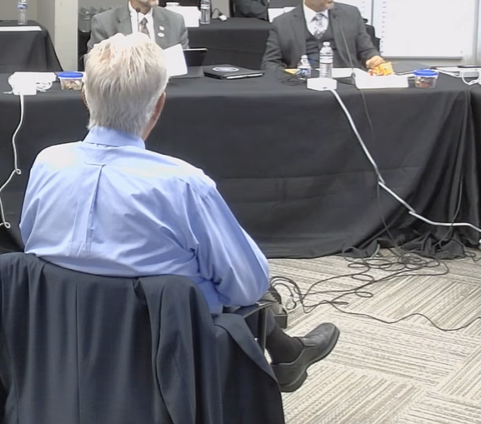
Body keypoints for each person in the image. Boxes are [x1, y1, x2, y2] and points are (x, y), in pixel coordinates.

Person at [21, 32, 339, 393]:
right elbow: (247, 286)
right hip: (163, 349)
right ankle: (287, 354)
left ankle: (288, 353)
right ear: (159, 105)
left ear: (84, 96)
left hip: (63, 337)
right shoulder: (183, 183)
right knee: (237, 279)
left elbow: (34, 245)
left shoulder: (46, 163)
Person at [261, 0, 384, 76]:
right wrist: (290, 74)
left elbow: (367, 51)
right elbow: (269, 63)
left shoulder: (351, 15)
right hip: (301, 85)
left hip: (346, 84)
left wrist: (374, 59)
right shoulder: (282, 23)